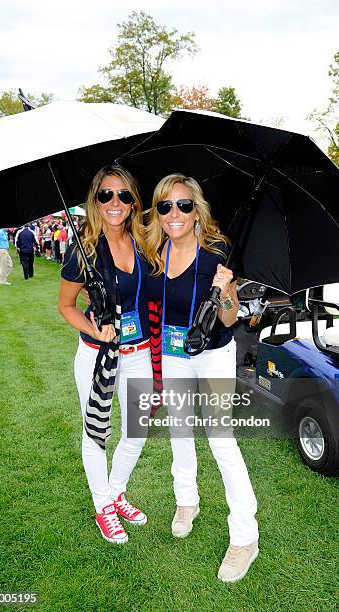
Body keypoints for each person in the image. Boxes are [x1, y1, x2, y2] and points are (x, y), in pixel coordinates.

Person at [145, 173, 259, 583]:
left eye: (183, 205)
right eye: (165, 206)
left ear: (197, 210)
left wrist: (226, 290)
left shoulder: (219, 251)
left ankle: (246, 536)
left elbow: (229, 317)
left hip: (213, 353)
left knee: (220, 439)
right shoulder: (154, 252)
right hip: (175, 354)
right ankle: (186, 501)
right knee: (179, 430)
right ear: (157, 212)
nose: (174, 214)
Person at [58, 164, 152, 544]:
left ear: (133, 202)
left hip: (139, 350)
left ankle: (116, 491)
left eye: (124, 195)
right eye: (106, 195)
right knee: (95, 433)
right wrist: (93, 327)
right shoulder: (82, 247)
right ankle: (103, 507)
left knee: (138, 428)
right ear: (95, 200)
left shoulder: (145, 240)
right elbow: (66, 306)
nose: (115, 202)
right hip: (97, 355)